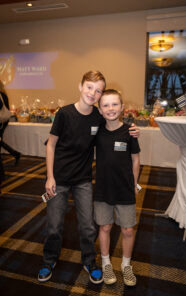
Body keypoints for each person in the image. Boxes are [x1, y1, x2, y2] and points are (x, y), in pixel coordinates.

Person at [38, 71, 140, 284]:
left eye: (98, 90)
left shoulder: (98, 116)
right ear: (80, 86)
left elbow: (116, 126)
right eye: (90, 87)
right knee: (54, 224)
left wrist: (133, 129)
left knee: (88, 225)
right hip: (59, 178)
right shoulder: (64, 114)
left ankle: (89, 261)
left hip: (83, 179)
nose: (93, 93)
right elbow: (51, 145)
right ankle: (49, 260)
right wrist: (49, 177)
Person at [94, 89, 140, 286]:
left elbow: (135, 159)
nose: (110, 108)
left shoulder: (130, 131)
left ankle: (126, 265)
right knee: (105, 226)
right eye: (105, 105)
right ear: (100, 110)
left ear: (122, 107)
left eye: (114, 104)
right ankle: (105, 262)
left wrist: (134, 184)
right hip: (103, 188)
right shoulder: (96, 131)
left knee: (128, 230)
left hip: (124, 188)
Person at [0, 81, 20, 183]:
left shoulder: (1, 95)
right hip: (3, 121)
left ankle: (15, 154)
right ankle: (15, 153)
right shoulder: (4, 94)